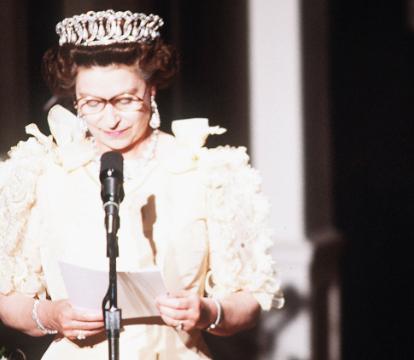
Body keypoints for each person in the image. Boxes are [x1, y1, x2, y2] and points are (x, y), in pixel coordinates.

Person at [0, 9, 283, 359]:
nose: (110, 118)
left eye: (125, 100)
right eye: (92, 103)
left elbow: (249, 299)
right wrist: (51, 315)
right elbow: (9, 299)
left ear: (151, 90)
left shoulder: (207, 171)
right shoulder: (39, 172)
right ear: (75, 100)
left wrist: (209, 312)